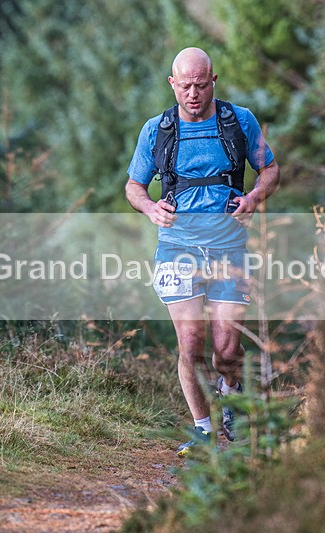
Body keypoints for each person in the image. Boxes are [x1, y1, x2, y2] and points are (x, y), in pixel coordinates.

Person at [125, 47, 279, 456]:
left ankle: (233, 390)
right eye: (185, 86)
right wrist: (150, 207)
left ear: (214, 80)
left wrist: (253, 198)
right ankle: (204, 429)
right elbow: (134, 187)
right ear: (172, 84)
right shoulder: (157, 130)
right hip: (176, 248)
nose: (193, 94)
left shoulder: (238, 121)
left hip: (230, 247)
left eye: (200, 84)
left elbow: (270, 169)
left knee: (226, 350)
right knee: (190, 344)